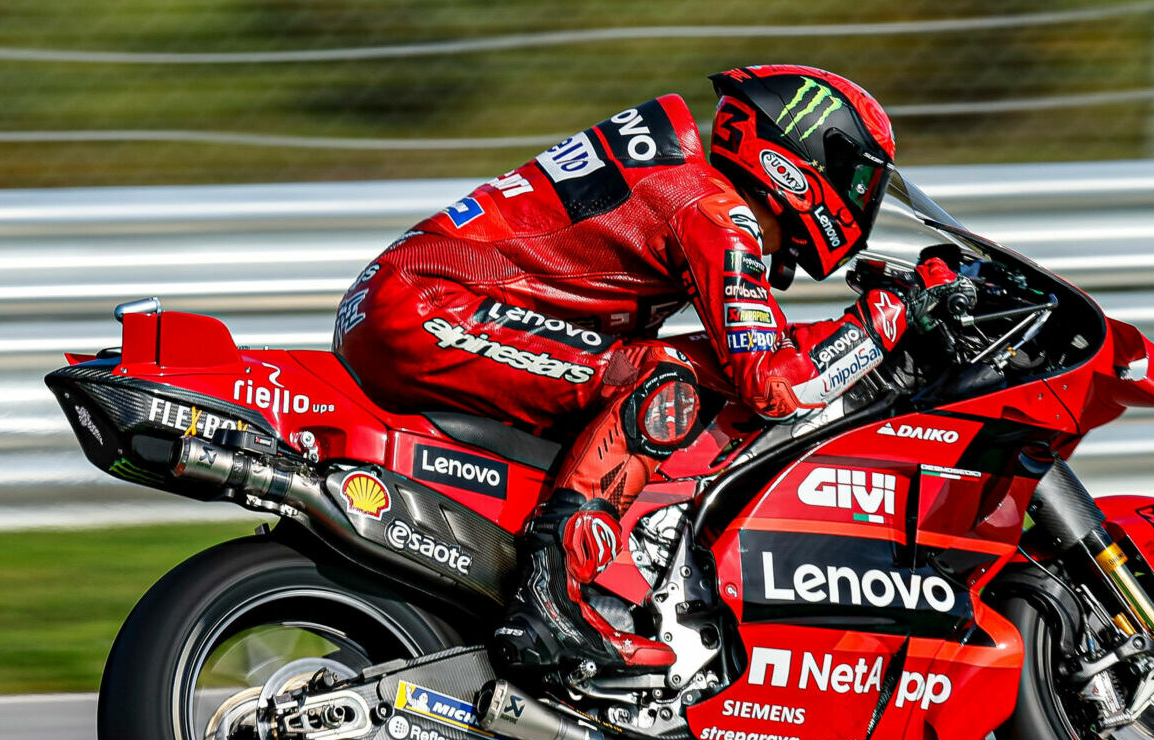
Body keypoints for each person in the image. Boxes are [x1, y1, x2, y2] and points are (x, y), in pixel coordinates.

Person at [336, 64, 970, 678]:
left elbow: (754, 357)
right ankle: (550, 597)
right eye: (856, 180)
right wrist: (890, 315)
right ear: (797, 164)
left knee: (677, 372)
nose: (863, 200)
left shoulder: (686, 189)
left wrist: (861, 331)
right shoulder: (713, 211)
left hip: (413, 301)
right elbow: (778, 386)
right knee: (663, 382)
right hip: (429, 309)